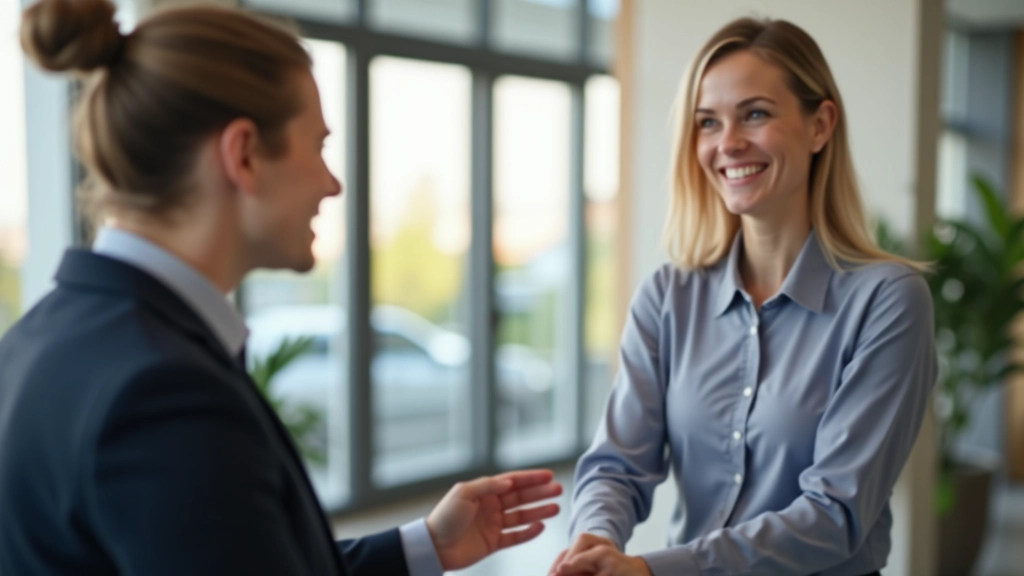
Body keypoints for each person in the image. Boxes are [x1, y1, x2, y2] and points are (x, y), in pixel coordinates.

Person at [0, 1, 562, 575]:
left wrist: (425, 547)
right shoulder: (164, 392)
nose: (332, 183)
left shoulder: (33, 342)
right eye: (318, 146)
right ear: (243, 154)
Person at [548, 17, 936, 576]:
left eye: (755, 114)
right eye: (708, 122)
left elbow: (835, 514)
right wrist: (594, 543)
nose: (727, 143)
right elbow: (616, 466)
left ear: (820, 125)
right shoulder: (667, 296)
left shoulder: (888, 302)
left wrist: (654, 571)